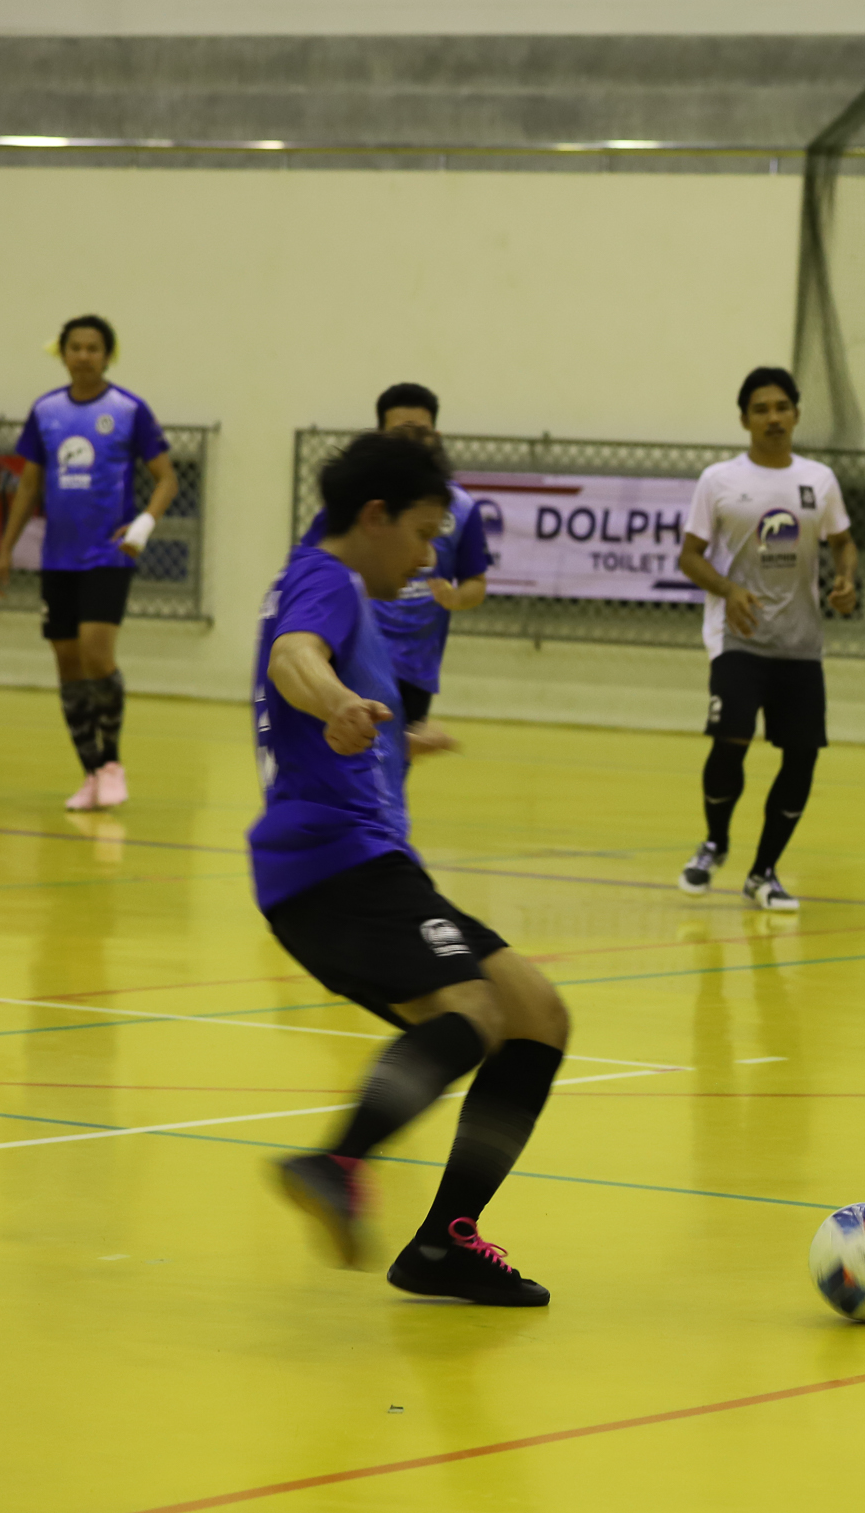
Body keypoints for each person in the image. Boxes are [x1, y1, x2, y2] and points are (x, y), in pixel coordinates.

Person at [256, 430, 570, 1307]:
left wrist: (394, 745)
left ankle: (443, 1244)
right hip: (337, 867)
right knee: (471, 1010)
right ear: (375, 516)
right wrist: (338, 702)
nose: (431, 557)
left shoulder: (327, 578)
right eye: (425, 533)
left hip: (361, 864)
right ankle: (337, 1161)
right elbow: (293, 658)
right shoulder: (327, 580)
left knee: (536, 1016)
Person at [674, 367, 859, 912]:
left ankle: (764, 873)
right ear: (744, 420)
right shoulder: (718, 480)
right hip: (739, 638)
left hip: (800, 642)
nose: (773, 417)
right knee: (730, 738)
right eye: (761, 409)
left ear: (796, 414)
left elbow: (843, 541)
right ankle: (714, 842)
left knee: (802, 756)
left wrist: (847, 579)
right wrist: (728, 589)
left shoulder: (819, 480)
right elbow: (689, 556)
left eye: (781, 407)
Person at [0, 314, 179, 811]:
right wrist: (6, 549)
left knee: (97, 655)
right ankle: (91, 772)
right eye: (75, 347)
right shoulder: (46, 411)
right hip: (58, 559)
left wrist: (142, 526)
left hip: (107, 556)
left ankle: (113, 763)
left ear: (107, 355)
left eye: (93, 348)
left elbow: (167, 478)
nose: (84, 356)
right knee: (68, 665)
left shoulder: (128, 410)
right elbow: (29, 485)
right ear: (63, 353)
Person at [301, 383, 490, 739]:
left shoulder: (461, 508)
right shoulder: (352, 505)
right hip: (353, 653)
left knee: (388, 762)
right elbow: (308, 575)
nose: (423, 556)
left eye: (421, 433)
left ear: (436, 437)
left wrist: (455, 597)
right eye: (401, 434)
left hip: (414, 666)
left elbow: (476, 583)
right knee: (347, 750)